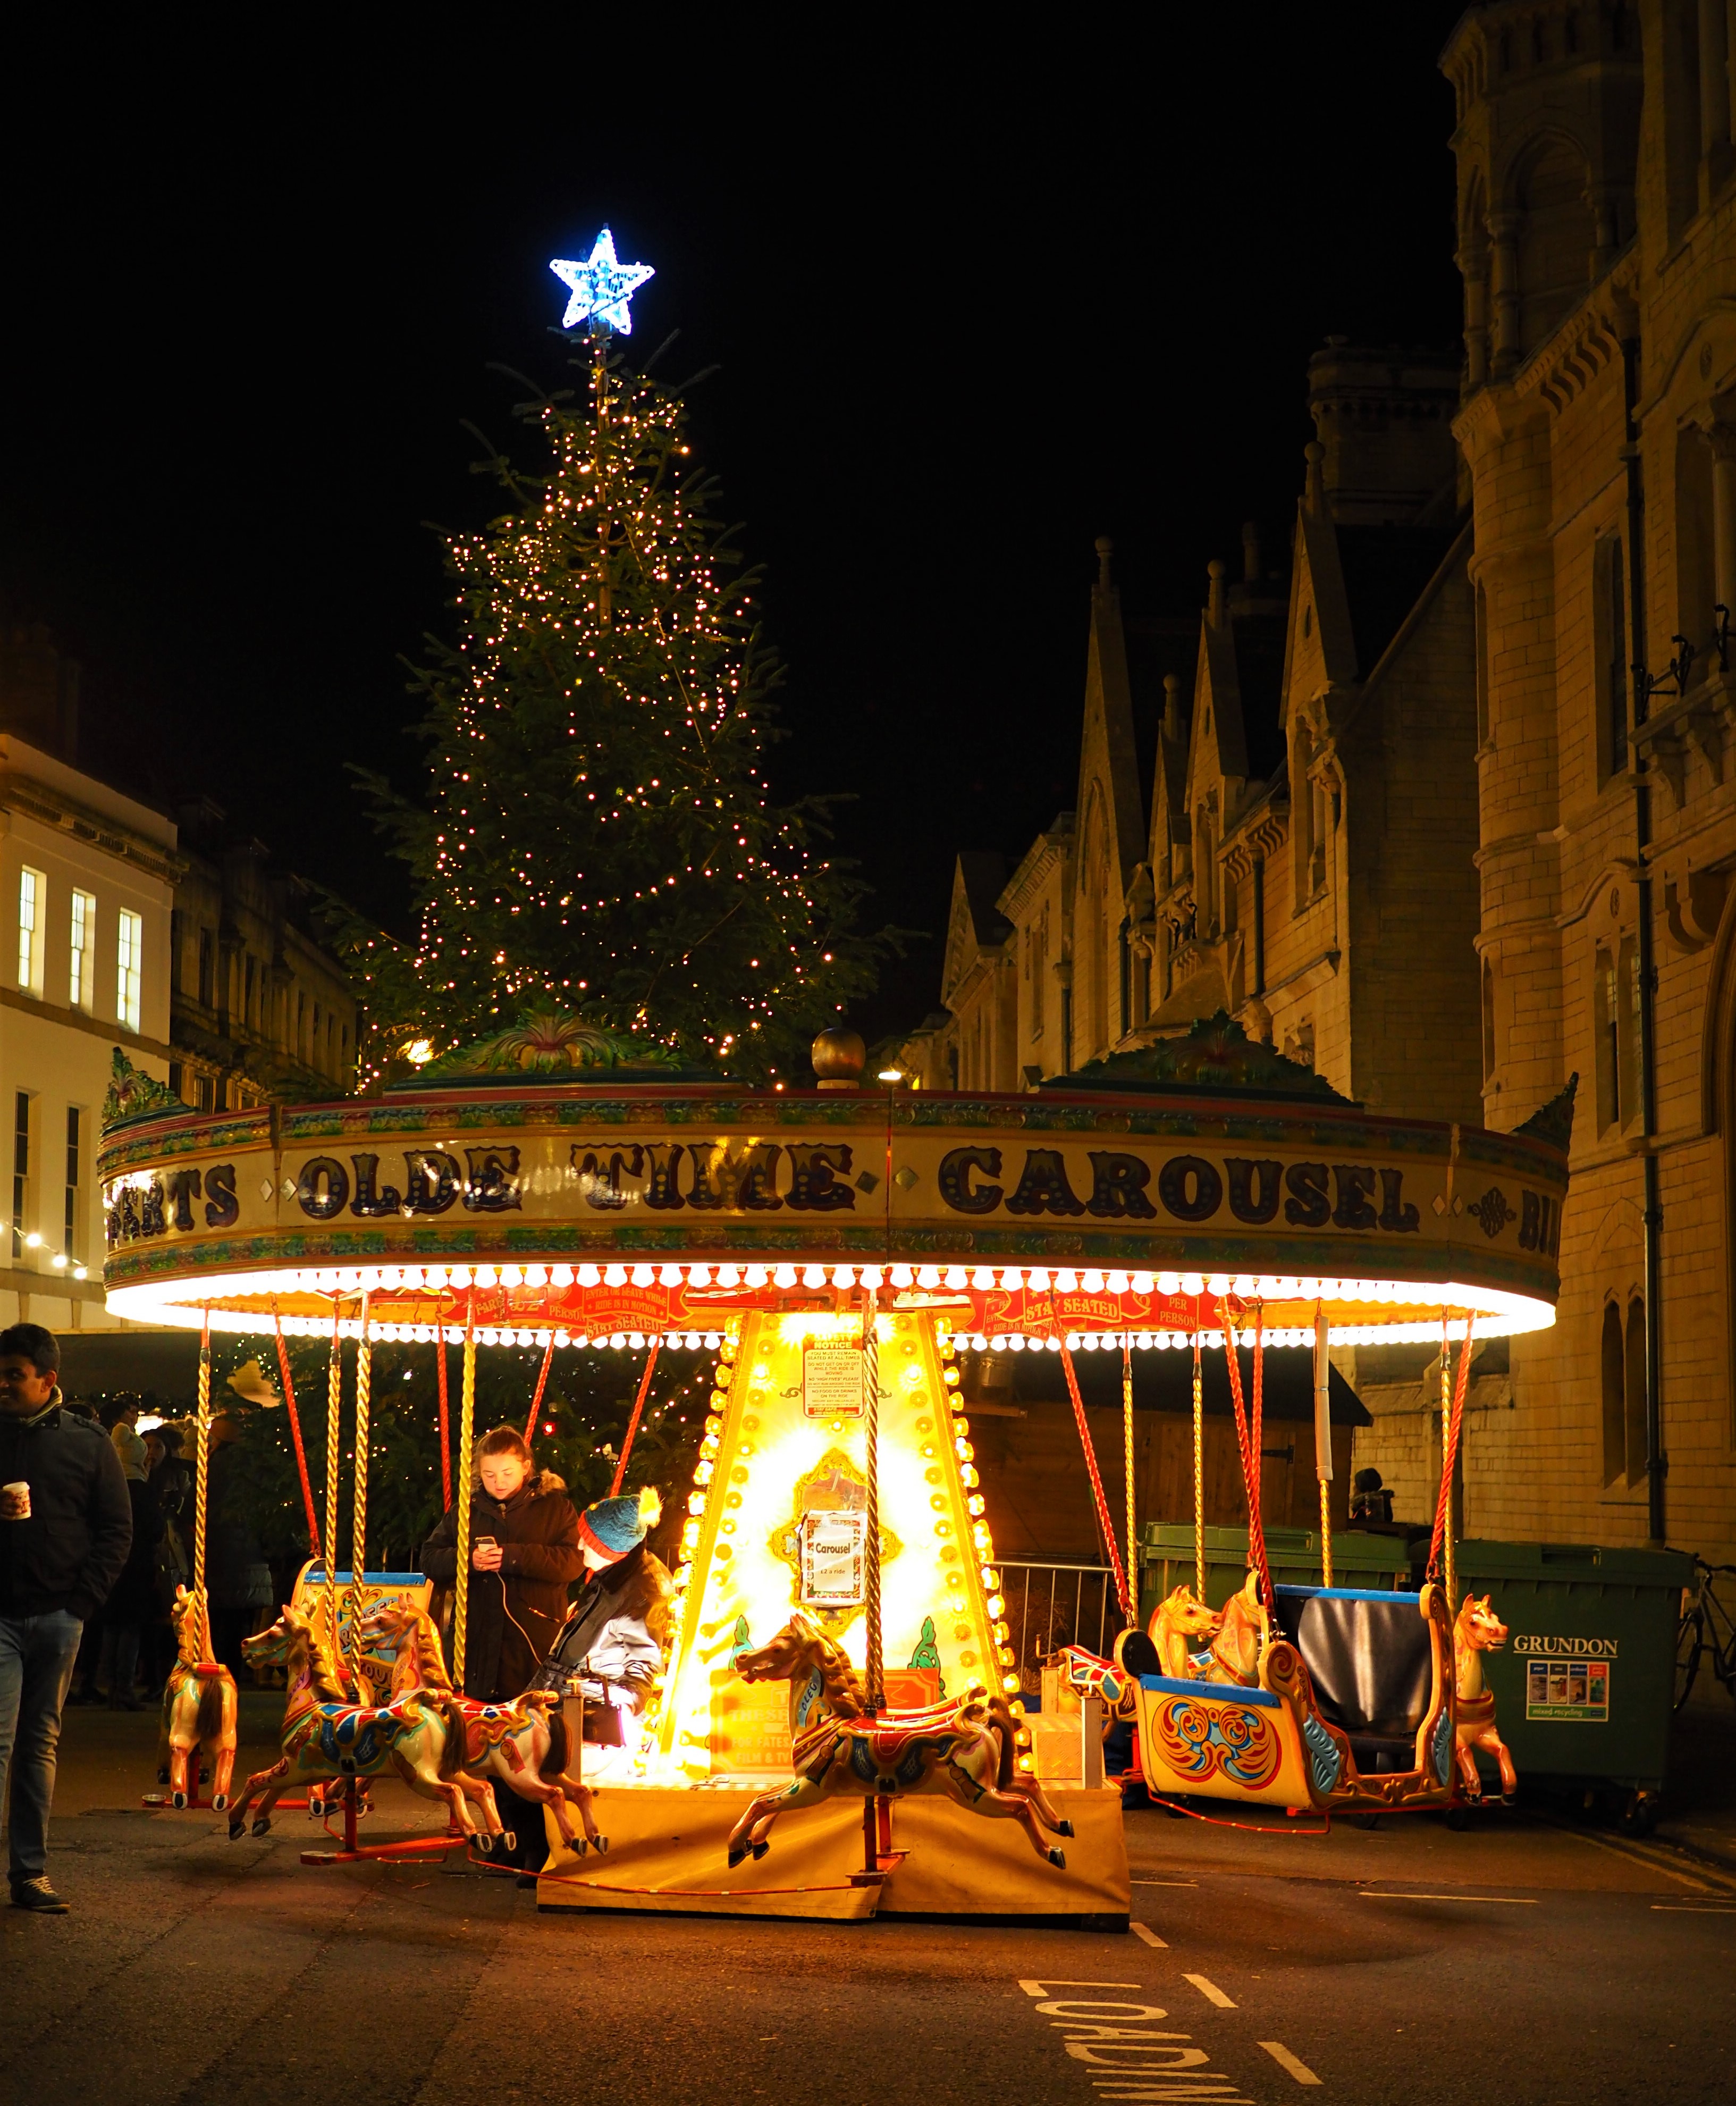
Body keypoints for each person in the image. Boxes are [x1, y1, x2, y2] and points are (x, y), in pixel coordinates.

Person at [0, 1323, 132, 1913]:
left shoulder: (87, 1441)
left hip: (58, 1614)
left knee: (38, 1744)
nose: (2, 1385)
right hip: (2, 1612)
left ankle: (30, 1871)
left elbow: (115, 1528)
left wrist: (82, 1603)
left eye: (13, 1376)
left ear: (48, 1379)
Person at [419, 1427, 583, 1868]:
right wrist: (465, 1561)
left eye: (506, 1472)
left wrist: (512, 1556)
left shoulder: (556, 1509)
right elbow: (430, 1558)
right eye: (489, 1474)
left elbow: (571, 1563)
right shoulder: (468, 1510)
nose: (498, 1481)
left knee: (532, 1746)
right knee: (493, 1749)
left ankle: (541, 1847)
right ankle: (512, 1843)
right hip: (480, 1644)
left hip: (533, 1642)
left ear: (527, 1469)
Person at [537, 1485, 673, 1757]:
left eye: (587, 1541)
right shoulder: (611, 1575)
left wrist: (620, 1709)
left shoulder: (643, 1594)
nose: (579, 1545)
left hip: (593, 1722)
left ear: (608, 1548)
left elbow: (644, 1671)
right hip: (567, 1703)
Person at [204, 1410, 274, 1674]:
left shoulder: (216, 1468)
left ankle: (221, 1668)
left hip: (221, 1554)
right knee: (237, 1621)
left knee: (220, 1620)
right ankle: (236, 1669)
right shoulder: (252, 1468)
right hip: (247, 1554)